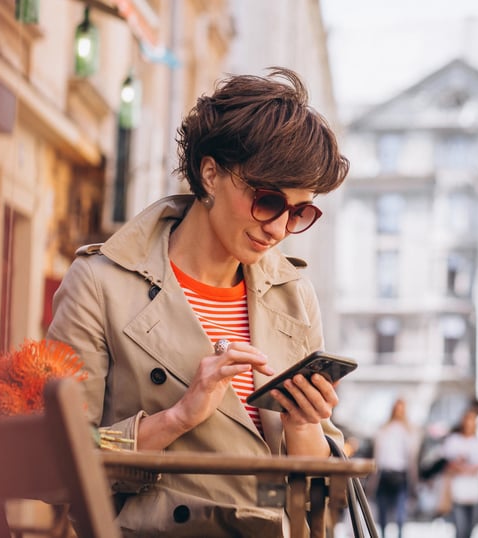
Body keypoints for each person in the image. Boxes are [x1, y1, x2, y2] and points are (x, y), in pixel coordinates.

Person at [47, 67, 350, 537]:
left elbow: (320, 498)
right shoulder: (100, 284)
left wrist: (304, 424)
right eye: (267, 200)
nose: (278, 228)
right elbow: (63, 455)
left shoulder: (294, 296)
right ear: (210, 173)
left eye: (300, 212)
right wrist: (177, 418)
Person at [443, 407, 478, 538]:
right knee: (460, 527)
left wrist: (464, 467)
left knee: (471, 527)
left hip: (475, 491)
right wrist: (463, 467)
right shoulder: (453, 441)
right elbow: (449, 464)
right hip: (458, 490)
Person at [372, 398, 420, 538]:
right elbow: (378, 456)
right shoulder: (384, 430)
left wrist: (414, 481)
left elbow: (412, 458)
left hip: (401, 475)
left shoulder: (409, 431)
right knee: (382, 512)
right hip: (384, 474)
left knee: (400, 513)